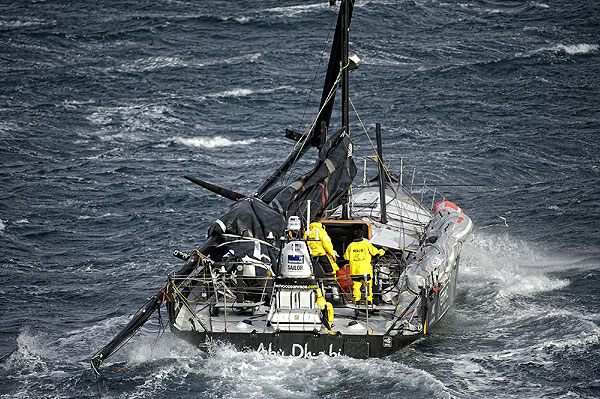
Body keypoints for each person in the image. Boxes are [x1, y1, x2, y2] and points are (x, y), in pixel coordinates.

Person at [343, 228, 385, 304]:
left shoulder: (350, 246)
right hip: (366, 270)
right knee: (368, 285)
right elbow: (376, 253)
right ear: (362, 236)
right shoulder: (366, 244)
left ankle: (357, 301)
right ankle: (369, 300)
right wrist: (383, 250)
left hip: (355, 271)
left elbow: (346, 257)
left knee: (356, 286)